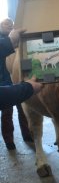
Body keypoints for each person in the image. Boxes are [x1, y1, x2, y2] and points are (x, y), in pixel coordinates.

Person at [0, 18, 43, 150]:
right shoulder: (5, 40)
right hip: (2, 80)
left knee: (23, 108)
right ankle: (9, 139)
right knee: (7, 111)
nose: (9, 25)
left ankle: (27, 134)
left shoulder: (18, 39)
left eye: (11, 24)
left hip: (16, 77)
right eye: (5, 24)